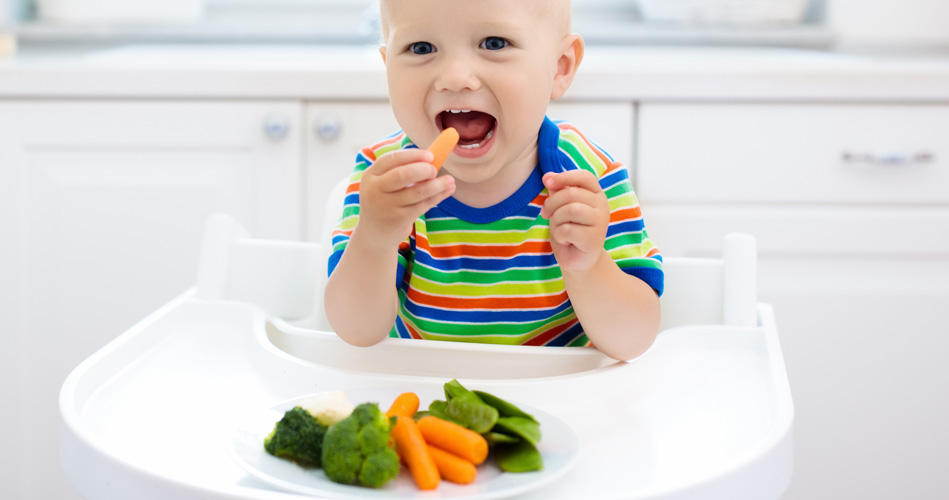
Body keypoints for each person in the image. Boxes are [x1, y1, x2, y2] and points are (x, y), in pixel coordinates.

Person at [324, 0, 662, 361]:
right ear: (388, 64)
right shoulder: (386, 181)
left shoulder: (590, 178)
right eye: (422, 48)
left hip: (554, 402)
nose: (455, 77)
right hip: (421, 394)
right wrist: (375, 239)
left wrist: (589, 266)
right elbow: (356, 332)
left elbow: (634, 341)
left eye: (494, 43)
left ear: (560, 67)